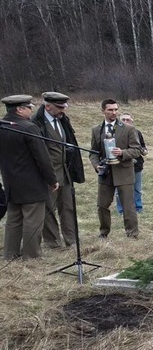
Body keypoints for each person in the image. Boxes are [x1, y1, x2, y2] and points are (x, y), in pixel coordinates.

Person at [0, 95, 58, 259]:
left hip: (10, 181)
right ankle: (31, 255)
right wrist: (52, 179)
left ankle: (10, 254)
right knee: (33, 220)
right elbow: (42, 157)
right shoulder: (28, 127)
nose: (31, 110)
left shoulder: (3, 126)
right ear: (19, 109)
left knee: (13, 220)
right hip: (31, 183)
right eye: (28, 107)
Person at [31, 91, 85, 249]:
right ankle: (53, 242)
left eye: (64, 106)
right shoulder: (37, 123)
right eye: (59, 107)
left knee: (68, 207)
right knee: (48, 209)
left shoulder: (62, 120)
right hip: (47, 174)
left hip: (65, 171)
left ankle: (71, 240)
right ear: (48, 106)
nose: (63, 110)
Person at [89, 99, 142, 239]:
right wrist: (96, 165)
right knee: (102, 205)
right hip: (105, 173)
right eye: (110, 110)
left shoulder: (128, 128)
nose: (114, 112)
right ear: (103, 111)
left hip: (124, 171)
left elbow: (137, 150)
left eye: (115, 109)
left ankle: (132, 233)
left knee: (128, 206)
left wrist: (123, 153)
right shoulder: (96, 130)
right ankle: (104, 232)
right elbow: (93, 152)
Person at [115, 113, 147, 215]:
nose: (125, 121)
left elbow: (143, 147)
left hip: (137, 165)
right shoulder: (114, 133)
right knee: (120, 189)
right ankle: (121, 210)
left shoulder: (137, 133)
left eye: (128, 120)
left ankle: (138, 207)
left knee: (137, 189)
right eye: (123, 119)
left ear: (132, 121)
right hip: (120, 165)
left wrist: (144, 150)